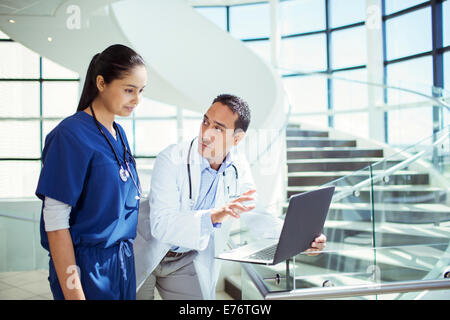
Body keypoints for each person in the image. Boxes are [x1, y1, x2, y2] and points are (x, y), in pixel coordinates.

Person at [134, 94, 326, 300]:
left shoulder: (238, 166)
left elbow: (255, 212)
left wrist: (300, 239)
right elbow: (162, 226)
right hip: (149, 249)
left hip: (186, 258)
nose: (206, 133)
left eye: (218, 128)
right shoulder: (171, 158)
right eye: (205, 121)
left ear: (236, 138)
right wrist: (213, 217)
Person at [35, 44, 147, 300]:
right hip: (86, 268)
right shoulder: (70, 135)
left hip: (121, 265)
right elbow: (55, 224)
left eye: (140, 91)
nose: (137, 100)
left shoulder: (118, 134)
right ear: (101, 82)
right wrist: (75, 293)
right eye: (129, 90)